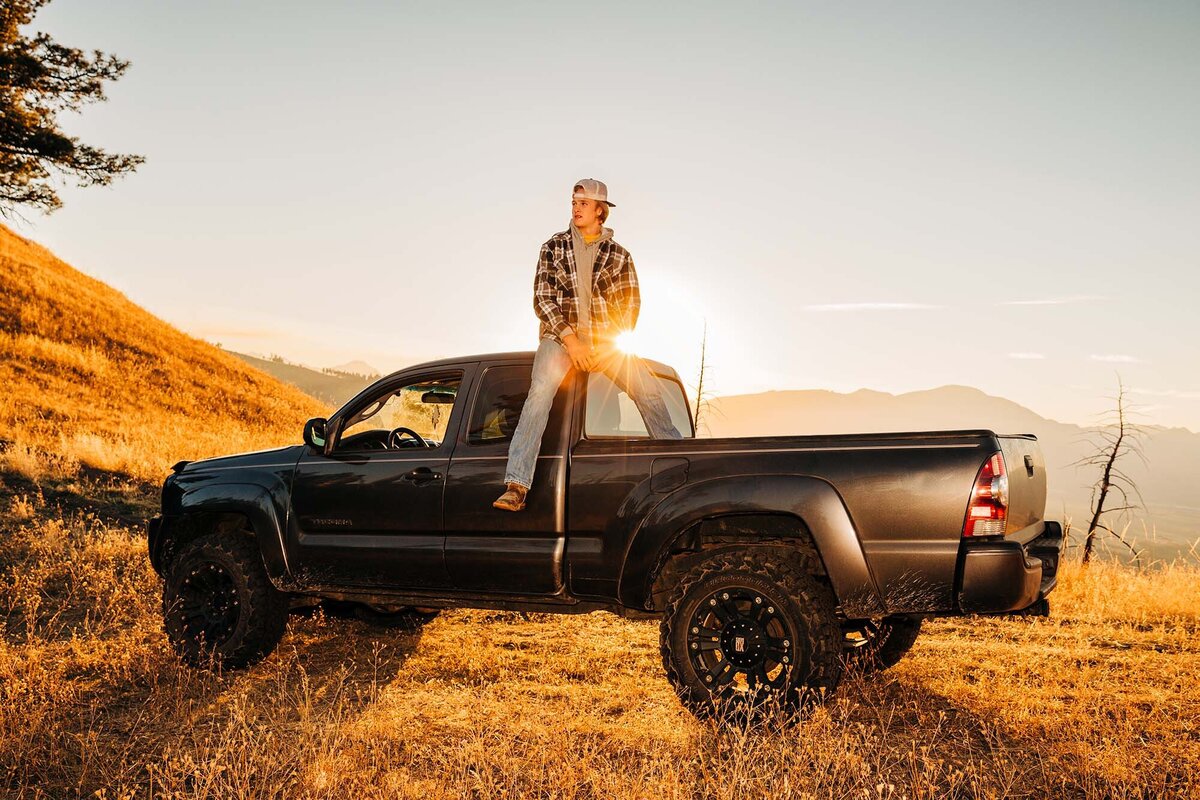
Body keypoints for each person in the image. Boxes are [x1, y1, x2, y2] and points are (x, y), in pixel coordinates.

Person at [493, 178, 682, 511]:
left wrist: (608, 346)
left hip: (607, 344)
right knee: (539, 395)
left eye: (583, 203)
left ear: (600, 211)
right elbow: (543, 298)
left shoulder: (619, 255)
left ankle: (683, 464)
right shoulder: (553, 247)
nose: (576, 207)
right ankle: (516, 485)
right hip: (560, 338)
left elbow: (629, 306)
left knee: (648, 389)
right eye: (574, 201)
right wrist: (571, 340)